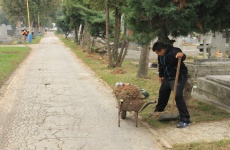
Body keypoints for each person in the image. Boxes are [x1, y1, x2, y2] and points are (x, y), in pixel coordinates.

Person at [152, 41, 190, 128]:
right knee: (163, 92)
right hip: (167, 77)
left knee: (177, 95)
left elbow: (181, 55)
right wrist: (160, 75)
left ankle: (185, 119)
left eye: (158, 52)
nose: (157, 54)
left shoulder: (174, 51)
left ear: (162, 50)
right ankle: (158, 110)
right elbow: (161, 66)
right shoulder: (160, 56)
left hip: (179, 76)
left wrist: (181, 55)